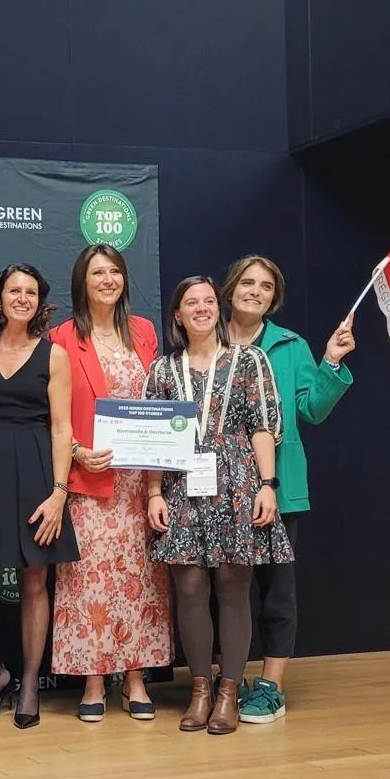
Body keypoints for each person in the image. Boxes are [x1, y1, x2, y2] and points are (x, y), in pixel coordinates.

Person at [144, 276, 292, 735]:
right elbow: (151, 439)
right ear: (178, 314)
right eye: (192, 302)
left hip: (237, 481)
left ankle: (229, 691)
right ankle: (200, 690)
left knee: (232, 586)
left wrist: (267, 485)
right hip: (181, 484)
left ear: (218, 308)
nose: (202, 308)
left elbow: (263, 425)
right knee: (189, 588)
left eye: (209, 300)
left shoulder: (250, 360)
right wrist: (153, 493)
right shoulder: (163, 370)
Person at [222, 255, 354, 723]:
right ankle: (227, 682)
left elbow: (312, 410)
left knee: (276, 591)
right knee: (223, 590)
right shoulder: (206, 337)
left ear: (274, 298)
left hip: (278, 487)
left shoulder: (290, 345)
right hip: (214, 488)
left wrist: (330, 362)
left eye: (266, 286)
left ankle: (271, 687)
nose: (255, 291)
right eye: (247, 282)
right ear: (230, 288)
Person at [47, 245, 173, 722]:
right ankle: (94, 681)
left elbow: (158, 402)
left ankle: (135, 677)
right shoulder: (61, 337)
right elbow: (53, 414)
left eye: (115, 271)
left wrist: (157, 479)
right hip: (90, 477)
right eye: (97, 272)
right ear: (82, 282)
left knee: (141, 581)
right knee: (90, 583)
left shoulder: (143, 331)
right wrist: (78, 451)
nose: (107, 280)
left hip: (141, 480)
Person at [0, 264, 79, 729]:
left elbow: (62, 427)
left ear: (39, 302)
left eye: (31, 292)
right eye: (14, 290)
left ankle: (29, 683)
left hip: (35, 471)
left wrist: (59, 493)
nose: (22, 298)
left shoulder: (54, 356)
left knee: (34, 579)